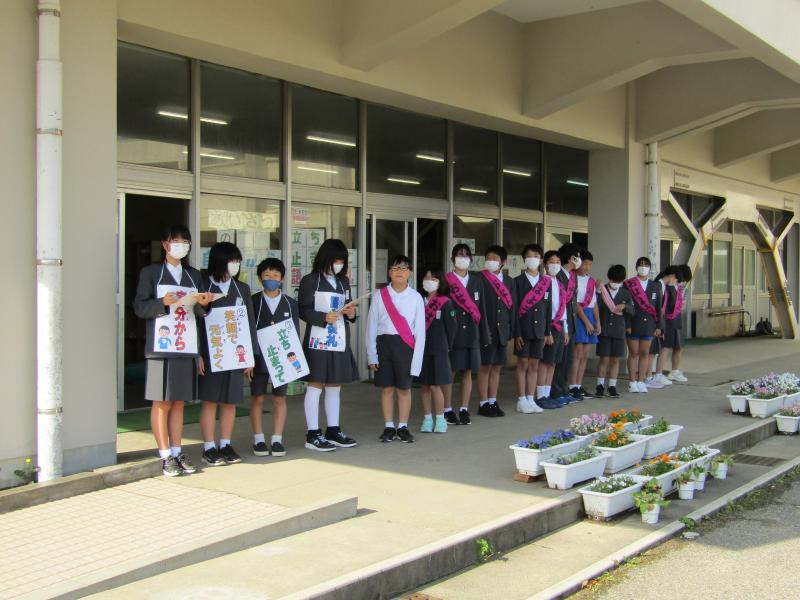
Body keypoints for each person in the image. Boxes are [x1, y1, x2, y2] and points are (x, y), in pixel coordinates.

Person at [133, 224, 211, 477]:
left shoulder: (193, 275)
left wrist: (204, 305)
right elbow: (139, 307)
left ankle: (177, 450)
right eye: (175, 241)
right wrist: (161, 303)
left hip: (186, 345)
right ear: (165, 245)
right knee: (162, 401)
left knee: (178, 401)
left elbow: (198, 313)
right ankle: (165, 454)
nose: (181, 245)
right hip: (161, 347)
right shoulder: (151, 272)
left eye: (185, 242)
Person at [198, 242, 258, 466]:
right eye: (232, 260)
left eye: (237, 261)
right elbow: (195, 322)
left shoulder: (242, 288)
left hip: (235, 353)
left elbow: (249, 322)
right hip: (211, 353)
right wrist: (197, 354)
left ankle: (225, 443)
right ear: (219, 261)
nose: (235, 265)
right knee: (210, 400)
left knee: (230, 401)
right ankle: (208, 447)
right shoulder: (203, 285)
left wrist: (250, 356)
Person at [298, 238, 359, 451]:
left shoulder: (343, 282)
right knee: (315, 385)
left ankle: (333, 430)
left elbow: (348, 307)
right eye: (336, 260)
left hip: (339, 338)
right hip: (318, 340)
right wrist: (323, 317)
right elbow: (302, 309)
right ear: (326, 258)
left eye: (342, 261)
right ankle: (312, 433)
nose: (339, 264)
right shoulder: (310, 280)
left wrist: (351, 314)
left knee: (334, 385)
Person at [367, 255, 426, 443]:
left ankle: (403, 427)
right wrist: (372, 355)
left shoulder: (416, 297)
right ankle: (388, 426)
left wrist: (416, 361)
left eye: (403, 268)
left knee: (404, 388)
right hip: (384, 345)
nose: (399, 272)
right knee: (387, 388)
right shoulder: (380, 295)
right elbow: (371, 326)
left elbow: (420, 332)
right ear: (389, 272)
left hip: (406, 347)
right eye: (394, 268)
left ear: (410, 273)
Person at [249, 257, 299, 458]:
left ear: (282, 279)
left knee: (280, 398)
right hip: (259, 357)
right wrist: (249, 359)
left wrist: (293, 362)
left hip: (282, 358)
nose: (271, 278)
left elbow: (294, 333)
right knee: (258, 397)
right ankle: (258, 439)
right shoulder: (253, 301)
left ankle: (277, 439)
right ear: (260, 278)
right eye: (267, 275)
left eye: (275, 275)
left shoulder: (290, 303)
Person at [443, 244, 490, 425]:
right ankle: (447, 409)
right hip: (452, 334)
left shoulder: (477, 281)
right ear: (452, 259)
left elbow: (482, 309)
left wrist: (484, 335)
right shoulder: (446, 281)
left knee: (467, 371)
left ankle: (464, 409)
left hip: (472, 333)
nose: (462, 258)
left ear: (471, 259)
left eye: (465, 255)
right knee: (450, 372)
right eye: (458, 255)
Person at [417, 268, 457, 433]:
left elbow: (452, 328)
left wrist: (447, 346)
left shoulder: (445, 302)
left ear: (440, 282)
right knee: (424, 386)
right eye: (426, 278)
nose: (429, 281)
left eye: (433, 278)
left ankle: (440, 419)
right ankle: (427, 419)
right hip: (421, 349)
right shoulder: (418, 300)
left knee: (435, 386)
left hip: (439, 349)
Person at [513, 244, 551, 414]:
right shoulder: (517, 282)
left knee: (535, 364)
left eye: (536, 256)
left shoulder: (546, 282)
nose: (532, 259)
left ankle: (530, 398)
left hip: (539, 330)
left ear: (541, 260)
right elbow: (514, 310)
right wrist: (517, 333)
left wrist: (547, 332)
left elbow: (548, 309)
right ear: (524, 259)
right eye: (529, 256)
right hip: (523, 330)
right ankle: (521, 399)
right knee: (522, 363)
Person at [477, 245, 514, 418]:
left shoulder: (509, 281)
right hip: (486, 330)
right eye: (488, 258)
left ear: (503, 262)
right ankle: (483, 403)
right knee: (485, 367)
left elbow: (512, 308)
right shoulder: (479, 279)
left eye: (495, 259)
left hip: (502, 331)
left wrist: (510, 330)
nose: (491, 261)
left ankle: (493, 400)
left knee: (497, 367)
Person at [624, 256, 664, 393]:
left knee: (645, 353)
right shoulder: (629, 284)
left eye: (646, 265)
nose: (643, 267)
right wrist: (627, 325)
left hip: (649, 325)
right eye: (640, 264)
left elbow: (658, 307)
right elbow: (626, 306)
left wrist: (659, 326)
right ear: (636, 267)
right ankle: (632, 382)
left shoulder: (655, 285)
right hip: (633, 323)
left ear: (649, 268)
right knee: (633, 353)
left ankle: (641, 380)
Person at [595, 265, 635, 398]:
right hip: (604, 330)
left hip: (619, 330)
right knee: (604, 359)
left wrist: (625, 306)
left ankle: (612, 386)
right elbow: (596, 306)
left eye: (618, 281)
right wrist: (598, 292)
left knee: (615, 360)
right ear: (609, 278)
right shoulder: (603, 289)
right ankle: (600, 385)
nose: (615, 283)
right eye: (613, 280)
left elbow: (633, 310)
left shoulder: (625, 293)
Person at [536, 251, 569, 409]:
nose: (555, 265)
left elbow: (564, 308)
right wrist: (547, 331)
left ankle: (547, 394)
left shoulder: (560, 284)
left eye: (558, 262)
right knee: (545, 362)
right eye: (552, 262)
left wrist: (566, 330)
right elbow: (544, 309)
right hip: (549, 326)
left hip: (560, 326)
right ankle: (540, 395)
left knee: (553, 362)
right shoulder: (542, 282)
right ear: (545, 264)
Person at [550, 243, 581, 405]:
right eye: (578, 257)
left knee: (568, 359)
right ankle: (555, 392)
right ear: (571, 258)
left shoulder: (572, 276)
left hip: (571, 323)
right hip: (560, 324)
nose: (579, 260)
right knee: (559, 360)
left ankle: (563, 389)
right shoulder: (558, 275)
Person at [569, 249, 600, 399]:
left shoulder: (591, 281)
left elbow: (594, 303)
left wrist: (597, 322)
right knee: (577, 353)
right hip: (578, 316)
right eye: (585, 263)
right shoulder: (572, 278)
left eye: (590, 264)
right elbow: (575, 303)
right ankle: (572, 386)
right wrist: (587, 322)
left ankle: (579, 384)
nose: (587, 267)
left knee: (585, 355)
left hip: (589, 316)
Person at [645, 265, 683, 389]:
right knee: (651, 351)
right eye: (676, 279)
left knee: (655, 351)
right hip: (654, 322)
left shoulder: (662, 286)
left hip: (659, 323)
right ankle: (649, 377)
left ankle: (651, 376)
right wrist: (658, 325)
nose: (676, 282)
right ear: (672, 276)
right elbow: (660, 306)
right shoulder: (658, 285)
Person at [664, 265, 692, 383]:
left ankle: (674, 371)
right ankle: (659, 373)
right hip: (668, 320)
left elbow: (682, 305)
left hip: (678, 318)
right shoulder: (668, 287)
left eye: (685, 281)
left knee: (679, 346)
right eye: (683, 280)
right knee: (666, 347)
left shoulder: (683, 289)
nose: (683, 283)